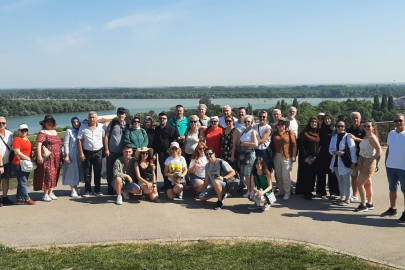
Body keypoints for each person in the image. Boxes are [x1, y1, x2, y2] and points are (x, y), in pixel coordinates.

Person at [381, 114, 405, 223]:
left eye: (400, 120)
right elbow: (389, 149)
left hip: (403, 167)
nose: (398, 123)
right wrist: (386, 163)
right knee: (392, 188)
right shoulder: (391, 133)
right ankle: (393, 209)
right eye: (396, 121)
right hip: (391, 166)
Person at [353, 119, 381, 212]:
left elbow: (379, 151)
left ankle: (363, 204)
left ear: (373, 127)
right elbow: (365, 143)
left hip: (368, 161)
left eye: (368, 126)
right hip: (362, 159)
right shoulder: (366, 137)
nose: (366, 128)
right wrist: (355, 138)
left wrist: (371, 160)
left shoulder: (372, 137)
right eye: (364, 126)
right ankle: (370, 203)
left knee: (359, 183)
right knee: (367, 184)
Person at [329, 120, 357, 206]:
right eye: (338, 126)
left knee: (347, 181)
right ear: (336, 127)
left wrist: (354, 162)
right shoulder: (334, 137)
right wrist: (335, 153)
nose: (340, 128)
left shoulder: (348, 137)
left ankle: (348, 198)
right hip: (336, 161)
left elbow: (352, 149)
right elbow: (330, 149)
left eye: (342, 126)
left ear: (345, 127)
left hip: (345, 162)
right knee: (340, 181)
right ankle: (342, 196)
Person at [34, 115, 62, 202]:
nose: (49, 123)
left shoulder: (55, 132)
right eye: (48, 122)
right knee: (48, 174)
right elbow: (39, 145)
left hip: (57, 156)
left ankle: (51, 192)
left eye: (51, 122)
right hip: (48, 157)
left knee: (55, 174)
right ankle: (45, 193)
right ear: (44, 123)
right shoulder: (42, 132)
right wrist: (39, 156)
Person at [77, 111, 105, 197]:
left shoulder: (102, 127)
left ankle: (98, 190)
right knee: (87, 172)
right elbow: (79, 140)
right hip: (87, 152)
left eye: (93, 117)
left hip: (98, 152)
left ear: (97, 118)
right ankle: (87, 190)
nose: (92, 119)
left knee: (98, 172)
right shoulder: (83, 127)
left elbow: (104, 138)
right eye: (90, 117)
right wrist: (81, 153)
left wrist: (106, 149)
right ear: (88, 118)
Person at [270, 117, 297, 200]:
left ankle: (287, 192)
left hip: (286, 156)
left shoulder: (290, 133)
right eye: (279, 124)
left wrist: (293, 156)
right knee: (278, 175)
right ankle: (281, 191)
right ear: (277, 126)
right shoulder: (274, 134)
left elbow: (294, 145)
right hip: (276, 155)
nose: (281, 126)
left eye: (282, 124)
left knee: (285, 175)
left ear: (285, 125)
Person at [104, 107, 128, 195]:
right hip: (112, 152)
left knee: (121, 171)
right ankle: (110, 189)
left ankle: (120, 188)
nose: (121, 115)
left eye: (123, 113)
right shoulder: (113, 123)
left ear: (125, 115)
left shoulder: (127, 125)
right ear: (117, 114)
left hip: (122, 153)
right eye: (119, 113)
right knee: (110, 171)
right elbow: (106, 136)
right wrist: (106, 149)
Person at [233, 115, 258, 198]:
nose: (247, 123)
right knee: (245, 173)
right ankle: (249, 189)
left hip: (250, 154)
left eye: (248, 121)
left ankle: (250, 190)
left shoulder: (252, 131)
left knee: (248, 174)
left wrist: (245, 144)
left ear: (251, 122)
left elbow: (255, 144)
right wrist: (241, 145)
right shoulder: (244, 131)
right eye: (245, 121)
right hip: (243, 154)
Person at [152, 112, 179, 190]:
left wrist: (172, 151)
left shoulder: (171, 129)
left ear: (166, 120)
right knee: (163, 170)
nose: (162, 120)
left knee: (171, 170)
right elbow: (155, 142)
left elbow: (174, 140)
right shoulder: (156, 129)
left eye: (163, 118)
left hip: (169, 154)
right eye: (160, 118)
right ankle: (166, 185)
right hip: (160, 154)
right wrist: (155, 153)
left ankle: (173, 186)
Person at [296, 116, 320, 200]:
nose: (314, 123)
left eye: (315, 122)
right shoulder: (304, 133)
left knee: (312, 175)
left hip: (315, 158)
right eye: (312, 122)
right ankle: (305, 192)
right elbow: (301, 146)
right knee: (306, 175)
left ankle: (310, 191)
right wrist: (305, 157)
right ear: (309, 123)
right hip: (306, 158)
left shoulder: (318, 133)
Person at [316, 114, 339, 198]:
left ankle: (333, 192)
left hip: (332, 154)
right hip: (322, 153)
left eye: (329, 119)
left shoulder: (334, 130)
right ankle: (321, 192)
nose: (327, 120)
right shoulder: (321, 130)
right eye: (325, 119)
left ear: (331, 120)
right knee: (321, 173)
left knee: (332, 174)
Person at [12, 124, 35, 205]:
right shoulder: (17, 139)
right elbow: (17, 152)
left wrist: (32, 159)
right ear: (18, 131)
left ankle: (19, 197)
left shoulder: (27, 139)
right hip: (19, 163)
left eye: (26, 130)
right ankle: (26, 198)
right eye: (22, 130)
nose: (24, 132)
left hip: (26, 163)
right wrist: (28, 158)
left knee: (22, 181)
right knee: (23, 181)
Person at [62, 116, 85, 197]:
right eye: (74, 122)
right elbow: (66, 144)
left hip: (80, 154)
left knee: (78, 171)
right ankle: (73, 190)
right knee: (71, 172)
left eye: (77, 122)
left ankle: (75, 187)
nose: (76, 123)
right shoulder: (69, 131)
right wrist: (66, 155)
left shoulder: (82, 130)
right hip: (72, 154)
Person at [347, 112, 366, 202]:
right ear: (351, 119)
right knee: (354, 176)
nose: (355, 119)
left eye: (357, 118)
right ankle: (355, 195)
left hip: (363, 157)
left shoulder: (364, 129)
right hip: (353, 157)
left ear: (360, 119)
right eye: (353, 118)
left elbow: (367, 142)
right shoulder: (348, 130)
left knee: (364, 177)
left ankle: (365, 196)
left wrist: (355, 138)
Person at [0, 117, 13, 206]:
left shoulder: (9, 134)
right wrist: (1, 165)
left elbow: (13, 146)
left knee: (6, 179)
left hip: (8, 161)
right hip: (0, 163)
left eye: (3, 123)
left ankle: (4, 197)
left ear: (6, 124)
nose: (1, 125)